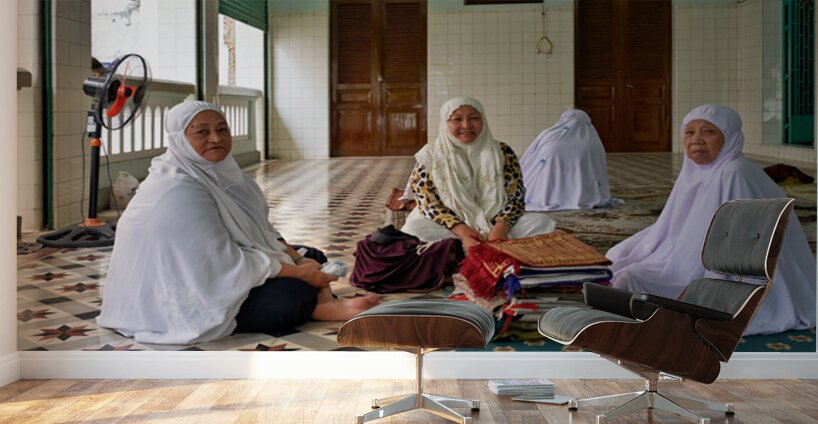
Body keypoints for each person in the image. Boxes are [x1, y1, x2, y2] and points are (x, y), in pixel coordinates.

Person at [97, 101, 379, 344]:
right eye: (202, 132)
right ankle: (314, 305)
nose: (216, 138)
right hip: (179, 293)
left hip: (220, 266)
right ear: (179, 139)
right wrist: (301, 274)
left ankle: (322, 302)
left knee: (313, 255)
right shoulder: (177, 189)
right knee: (291, 295)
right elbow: (219, 262)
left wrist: (297, 259)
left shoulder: (226, 175)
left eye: (222, 129)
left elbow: (261, 230)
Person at [607, 104, 816, 335]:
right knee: (620, 260)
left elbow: (742, 242)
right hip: (694, 254)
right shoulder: (694, 172)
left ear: (729, 137)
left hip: (725, 266)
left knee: (633, 278)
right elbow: (673, 224)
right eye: (689, 132)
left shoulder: (734, 172)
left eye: (708, 131)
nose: (696, 139)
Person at [401, 96, 556, 251]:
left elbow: (516, 196)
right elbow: (428, 202)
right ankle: (480, 245)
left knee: (543, 223)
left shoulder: (502, 152)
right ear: (445, 123)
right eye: (457, 119)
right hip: (450, 223)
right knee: (414, 229)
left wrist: (501, 228)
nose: (466, 125)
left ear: (483, 120)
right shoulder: (430, 155)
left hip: (495, 218)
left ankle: (462, 248)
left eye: (474, 118)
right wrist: (464, 232)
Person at [520, 109, 613, 211]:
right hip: (583, 187)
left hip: (546, 182)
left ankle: (553, 196)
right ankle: (578, 195)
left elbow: (532, 152)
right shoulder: (592, 140)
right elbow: (598, 166)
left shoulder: (550, 133)